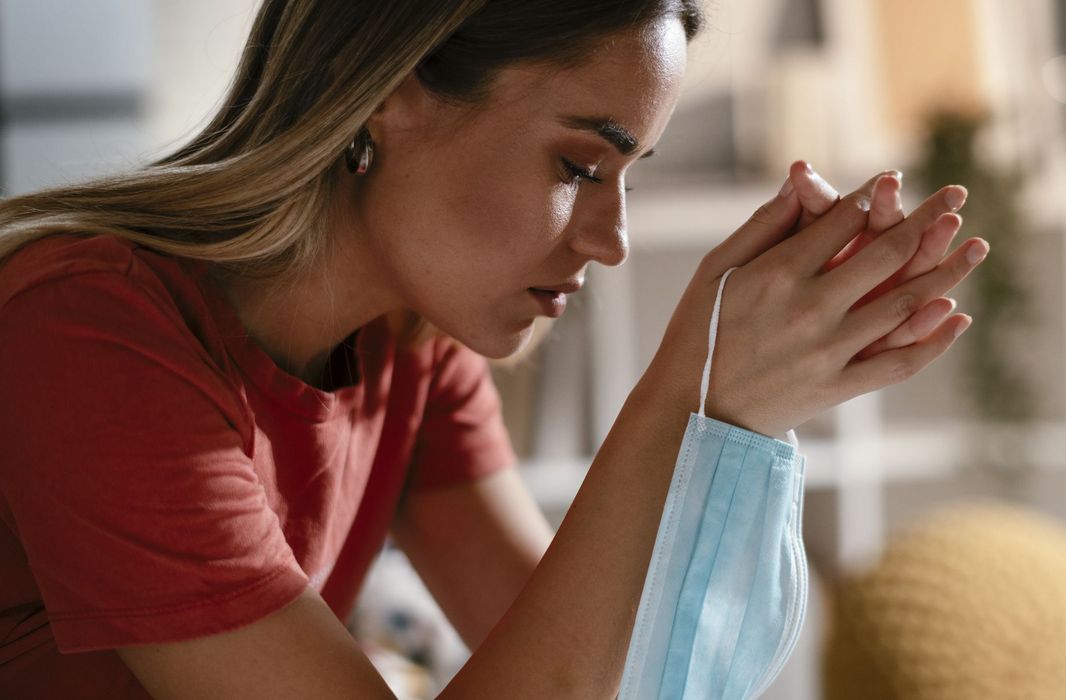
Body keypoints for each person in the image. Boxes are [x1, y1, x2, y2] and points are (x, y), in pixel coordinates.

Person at [0, 1, 988, 698]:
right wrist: (678, 401)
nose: (613, 240)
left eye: (628, 176)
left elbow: (604, 669)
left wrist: (740, 412)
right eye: (578, 164)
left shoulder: (411, 346)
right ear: (391, 91)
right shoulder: (87, 333)